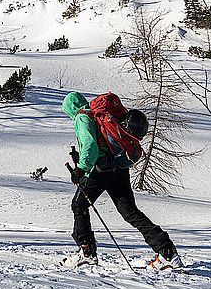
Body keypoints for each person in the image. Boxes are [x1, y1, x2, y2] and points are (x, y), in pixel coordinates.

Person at [61, 92, 182, 270]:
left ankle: (87, 252)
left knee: (79, 205)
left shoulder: (82, 117)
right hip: (119, 168)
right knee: (130, 212)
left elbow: (91, 146)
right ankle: (167, 251)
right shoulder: (98, 114)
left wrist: (80, 169)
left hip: (101, 171)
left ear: (69, 108)